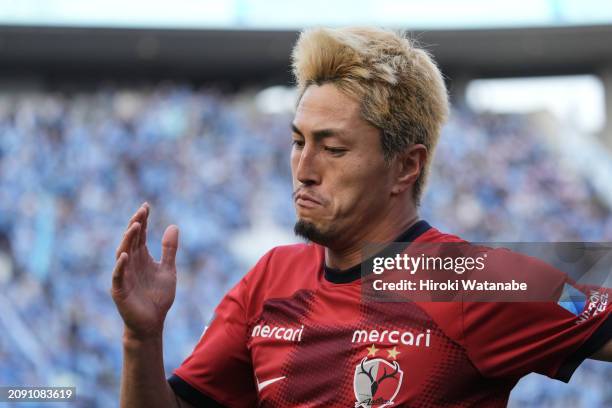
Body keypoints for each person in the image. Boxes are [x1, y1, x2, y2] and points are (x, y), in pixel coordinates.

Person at [110, 27, 612, 407]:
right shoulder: (269, 280)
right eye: (297, 142)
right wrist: (141, 338)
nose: (304, 169)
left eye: (332, 148)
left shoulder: (476, 280)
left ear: (405, 166)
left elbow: (589, 312)